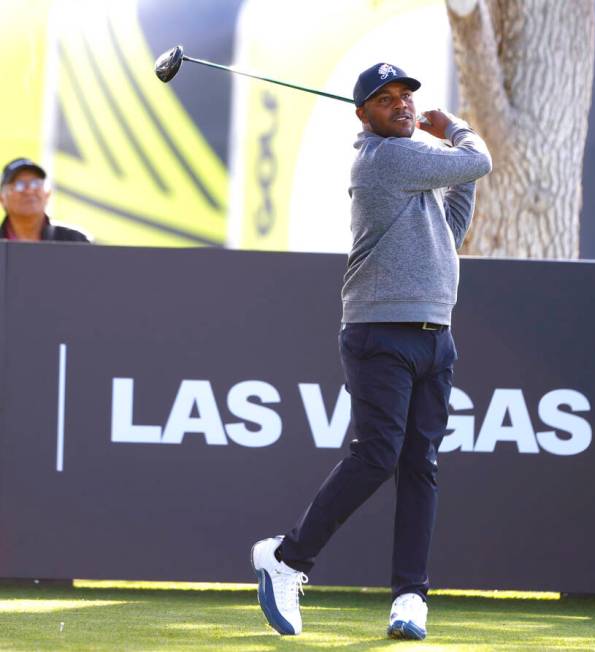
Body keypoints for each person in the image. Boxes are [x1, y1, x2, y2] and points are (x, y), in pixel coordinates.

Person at [251, 62, 492, 640]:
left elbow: (452, 225)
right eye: (385, 100)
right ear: (362, 116)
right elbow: (476, 159)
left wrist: (454, 160)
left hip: (436, 335)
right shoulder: (383, 160)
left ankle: (410, 597)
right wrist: (454, 127)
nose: (402, 105)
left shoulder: (413, 169)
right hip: (381, 332)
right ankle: (287, 560)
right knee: (378, 454)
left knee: (420, 465)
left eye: (407, 96)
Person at [0, 158, 89, 242]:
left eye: (36, 183)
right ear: (2, 199)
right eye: (19, 185)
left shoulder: (75, 240)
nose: (29, 191)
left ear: (47, 194)